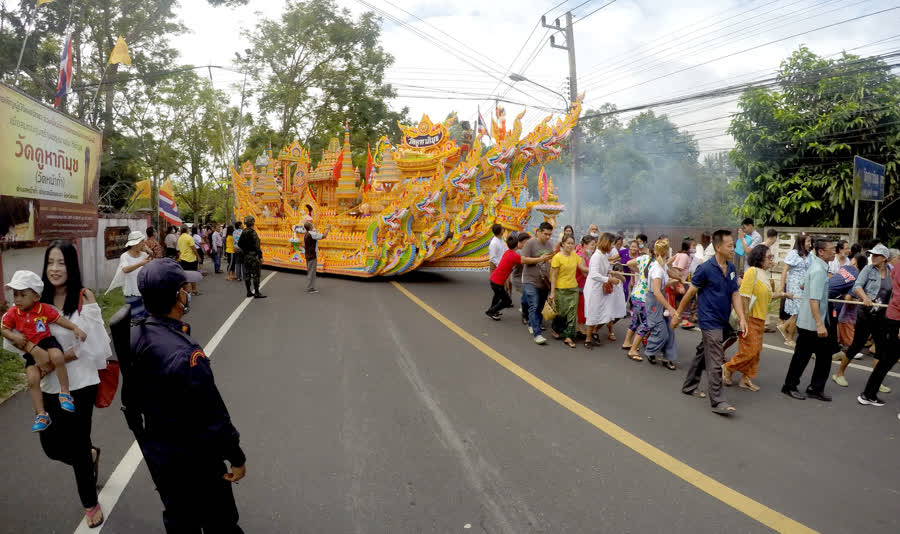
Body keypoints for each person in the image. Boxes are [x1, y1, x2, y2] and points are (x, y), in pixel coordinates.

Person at [128, 259, 247, 532]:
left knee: (180, 519)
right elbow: (211, 415)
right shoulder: (186, 354)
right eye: (184, 287)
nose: (187, 292)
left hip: (160, 451)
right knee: (221, 522)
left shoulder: (135, 336)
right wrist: (235, 456)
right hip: (196, 458)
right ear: (177, 297)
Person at [32, 241, 110, 528]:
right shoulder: (37, 300)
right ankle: (89, 456)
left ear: (72, 266)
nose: (55, 269)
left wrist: (52, 361)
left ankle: (90, 504)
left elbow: (94, 347)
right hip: (50, 385)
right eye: (51, 262)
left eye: (61, 262)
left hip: (81, 384)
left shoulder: (83, 298)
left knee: (76, 446)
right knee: (51, 445)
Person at [2, 270, 87, 432]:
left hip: (47, 342)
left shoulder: (44, 309)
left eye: (22, 295)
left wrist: (75, 327)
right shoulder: (13, 313)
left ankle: (65, 393)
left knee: (57, 356)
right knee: (32, 379)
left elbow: (60, 320)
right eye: (15, 295)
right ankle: (41, 414)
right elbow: (3, 329)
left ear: (35, 296)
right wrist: (15, 337)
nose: (17, 299)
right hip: (30, 350)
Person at [676, 229, 747, 416]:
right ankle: (718, 401)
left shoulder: (731, 269)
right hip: (709, 321)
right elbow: (690, 293)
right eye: (730, 245)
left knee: (703, 351)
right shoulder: (705, 269)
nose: (733, 249)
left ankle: (689, 385)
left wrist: (742, 317)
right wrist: (678, 314)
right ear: (718, 247)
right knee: (715, 359)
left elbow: (735, 294)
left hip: (723, 320)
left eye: (733, 245)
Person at [724, 245, 791, 391]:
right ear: (759, 257)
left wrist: (784, 294)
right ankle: (728, 368)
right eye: (769, 257)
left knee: (756, 353)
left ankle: (746, 378)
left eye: (772, 257)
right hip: (750, 318)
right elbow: (744, 296)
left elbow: (767, 297)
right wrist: (744, 319)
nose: (771, 260)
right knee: (749, 351)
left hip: (760, 319)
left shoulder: (764, 275)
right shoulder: (752, 272)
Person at [781, 238, 836, 401]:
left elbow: (803, 285)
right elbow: (813, 299)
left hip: (812, 320)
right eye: (831, 249)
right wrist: (819, 324)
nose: (834, 251)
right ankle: (789, 386)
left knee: (825, 357)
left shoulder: (816, 265)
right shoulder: (818, 270)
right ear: (821, 252)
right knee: (801, 357)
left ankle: (815, 388)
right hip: (812, 324)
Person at [833, 245, 893, 391]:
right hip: (865, 314)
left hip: (882, 315)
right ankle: (839, 373)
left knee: (881, 347)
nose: (872, 257)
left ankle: (876, 381)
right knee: (856, 345)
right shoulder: (868, 269)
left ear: (884, 258)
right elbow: (857, 286)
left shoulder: (891, 272)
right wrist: (865, 297)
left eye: (876, 255)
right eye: (871, 254)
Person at [857, 246, 900, 406]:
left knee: (887, 358)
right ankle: (868, 394)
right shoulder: (873, 270)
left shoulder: (893, 269)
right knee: (885, 358)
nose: (873, 257)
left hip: (889, 317)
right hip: (893, 319)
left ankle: (869, 394)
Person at [638, 238, 680, 369]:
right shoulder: (656, 269)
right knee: (661, 331)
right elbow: (656, 291)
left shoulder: (662, 265)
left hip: (661, 298)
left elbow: (664, 281)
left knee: (669, 330)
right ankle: (650, 351)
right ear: (666, 252)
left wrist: (676, 279)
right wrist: (671, 308)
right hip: (655, 301)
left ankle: (668, 357)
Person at [583, 233, 626, 350]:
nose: (613, 247)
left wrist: (611, 275)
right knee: (593, 312)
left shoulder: (603, 255)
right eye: (612, 244)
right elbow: (594, 274)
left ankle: (593, 332)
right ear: (607, 243)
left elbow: (604, 271)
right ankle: (587, 339)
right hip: (594, 288)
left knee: (602, 311)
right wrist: (609, 279)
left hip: (601, 288)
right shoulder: (596, 256)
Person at [549, 234, 589, 348]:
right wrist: (552, 293)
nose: (570, 245)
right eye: (568, 243)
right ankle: (556, 328)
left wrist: (597, 269)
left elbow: (583, 268)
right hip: (560, 289)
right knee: (561, 313)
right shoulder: (557, 257)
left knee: (572, 314)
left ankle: (569, 337)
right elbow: (554, 276)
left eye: (572, 243)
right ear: (563, 244)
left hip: (573, 289)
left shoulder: (575, 256)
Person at [520, 222, 555, 345]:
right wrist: (540, 259)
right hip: (530, 280)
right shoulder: (530, 243)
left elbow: (551, 260)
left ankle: (531, 323)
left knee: (540, 307)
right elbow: (523, 259)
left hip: (544, 281)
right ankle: (537, 333)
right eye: (545, 234)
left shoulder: (550, 244)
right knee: (534, 305)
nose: (548, 237)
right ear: (538, 232)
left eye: (550, 235)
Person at [108, 231, 153, 322]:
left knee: (147, 318)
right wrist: (140, 263)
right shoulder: (125, 256)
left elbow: (150, 267)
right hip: (132, 290)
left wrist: (150, 252)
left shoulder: (144, 255)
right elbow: (125, 269)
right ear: (135, 244)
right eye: (141, 242)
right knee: (135, 319)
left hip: (144, 290)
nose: (143, 244)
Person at [778, 233, 811, 346]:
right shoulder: (793, 254)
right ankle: (789, 338)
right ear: (801, 242)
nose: (810, 244)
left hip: (804, 286)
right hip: (794, 286)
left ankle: (784, 326)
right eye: (808, 242)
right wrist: (782, 288)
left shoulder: (809, 255)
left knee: (798, 312)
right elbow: (784, 271)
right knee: (798, 312)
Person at [624, 240, 653, 360]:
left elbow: (629, 263)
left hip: (637, 294)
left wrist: (640, 271)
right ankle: (633, 349)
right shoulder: (655, 263)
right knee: (646, 323)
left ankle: (627, 342)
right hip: (643, 297)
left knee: (636, 321)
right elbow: (629, 263)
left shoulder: (644, 258)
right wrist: (640, 271)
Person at [487, 234, 523, 319]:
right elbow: (526, 260)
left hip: (494, 279)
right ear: (517, 244)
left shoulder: (508, 252)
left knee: (497, 296)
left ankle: (493, 311)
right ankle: (491, 312)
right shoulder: (514, 255)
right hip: (497, 282)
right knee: (507, 301)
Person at [237, 215, 266, 298]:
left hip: (246, 256)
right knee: (256, 274)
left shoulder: (243, 232)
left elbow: (239, 244)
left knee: (247, 274)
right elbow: (257, 246)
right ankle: (257, 292)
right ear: (253, 222)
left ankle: (249, 291)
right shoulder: (253, 233)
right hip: (254, 256)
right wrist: (260, 257)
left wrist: (245, 250)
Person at [576, 235, 597, 339]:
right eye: (592, 245)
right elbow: (584, 270)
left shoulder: (588, 256)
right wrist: (597, 271)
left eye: (594, 245)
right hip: (579, 285)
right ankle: (580, 327)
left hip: (585, 285)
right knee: (581, 307)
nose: (593, 247)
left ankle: (581, 327)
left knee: (583, 307)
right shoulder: (580, 256)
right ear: (584, 245)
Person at [303, 220, 330, 293]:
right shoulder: (312, 234)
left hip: (308, 254)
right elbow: (324, 236)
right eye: (312, 225)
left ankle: (310, 286)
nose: (313, 225)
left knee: (310, 271)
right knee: (312, 272)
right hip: (312, 255)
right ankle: (310, 288)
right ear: (310, 226)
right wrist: (327, 229)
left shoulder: (306, 234)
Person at [511, 232, 531, 324]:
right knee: (527, 296)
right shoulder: (519, 251)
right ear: (522, 242)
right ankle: (524, 315)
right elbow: (525, 262)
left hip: (522, 278)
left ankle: (525, 313)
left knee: (527, 296)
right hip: (518, 279)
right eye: (527, 242)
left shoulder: (521, 250)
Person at [176, 226, 199, 295]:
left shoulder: (179, 238)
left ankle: (186, 291)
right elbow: (193, 248)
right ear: (186, 230)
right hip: (191, 259)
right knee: (193, 275)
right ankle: (194, 291)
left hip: (183, 259)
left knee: (185, 275)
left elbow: (178, 249)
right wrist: (198, 257)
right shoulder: (189, 237)